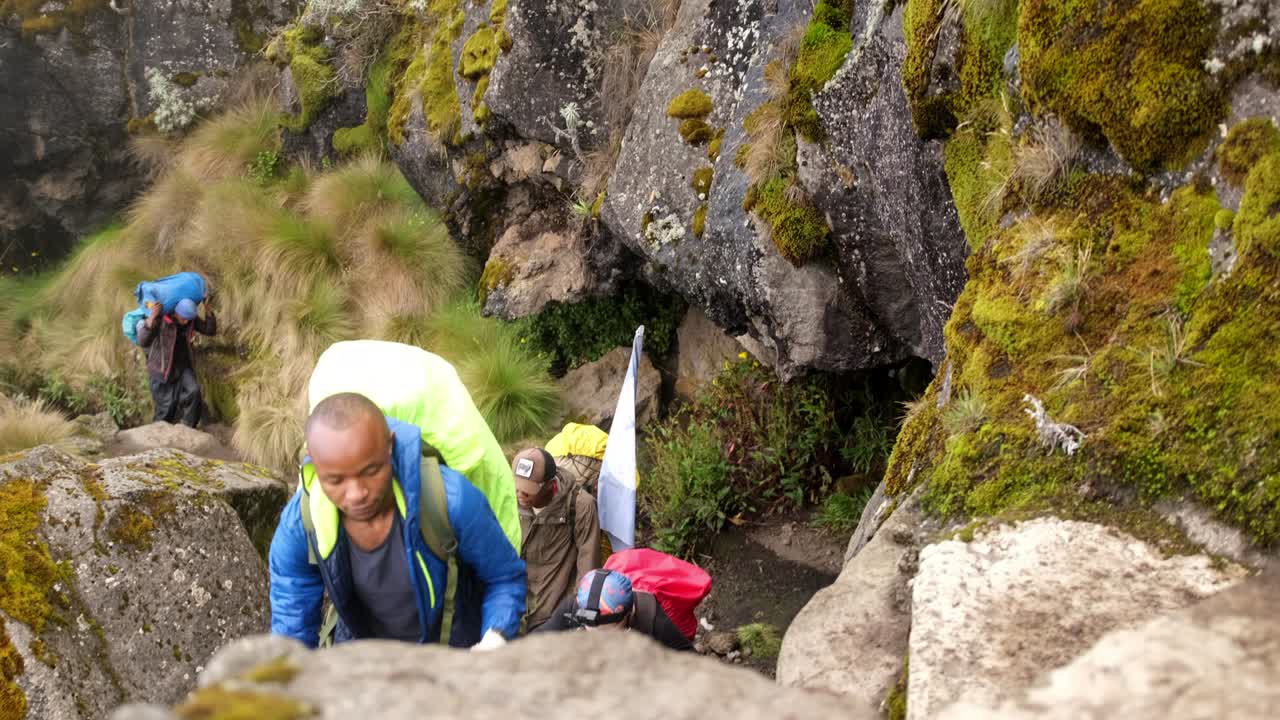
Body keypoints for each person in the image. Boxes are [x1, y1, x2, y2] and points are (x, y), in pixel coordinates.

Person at [268, 392, 526, 649]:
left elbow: (504, 577)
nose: (357, 494)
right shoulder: (301, 525)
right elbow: (292, 621)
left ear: (390, 445)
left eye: (371, 471)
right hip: (366, 666)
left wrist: (495, 637)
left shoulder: (450, 499)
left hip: (453, 658)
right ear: (315, 467)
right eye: (335, 481)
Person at [512, 447, 600, 629]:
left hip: (552, 617)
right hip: (513, 610)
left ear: (550, 485)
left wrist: (578, 617)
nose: (520, 494)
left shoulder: (580, 505)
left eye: (528, 490)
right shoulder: (509, 498)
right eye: (517, 486)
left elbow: (588, 567)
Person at [533, 569, 693, 651]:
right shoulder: (573, 607)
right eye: (590, 631)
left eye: (606, 633)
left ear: (628, 615)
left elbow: (691, 661)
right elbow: (532, 643)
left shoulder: (654, 619)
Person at [136, 297, 216, 428]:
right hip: (161, 370)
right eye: (183, 318)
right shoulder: (160, 320)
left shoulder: (190, 320)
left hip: (182, 366)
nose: (185, 322)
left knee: (194, 391)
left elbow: (210, 330)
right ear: (176, 312)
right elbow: (143, 340)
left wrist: (207, 308)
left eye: (188, 320)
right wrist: (151, 318)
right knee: (166, 408)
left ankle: (188, 426)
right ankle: (158, 440)